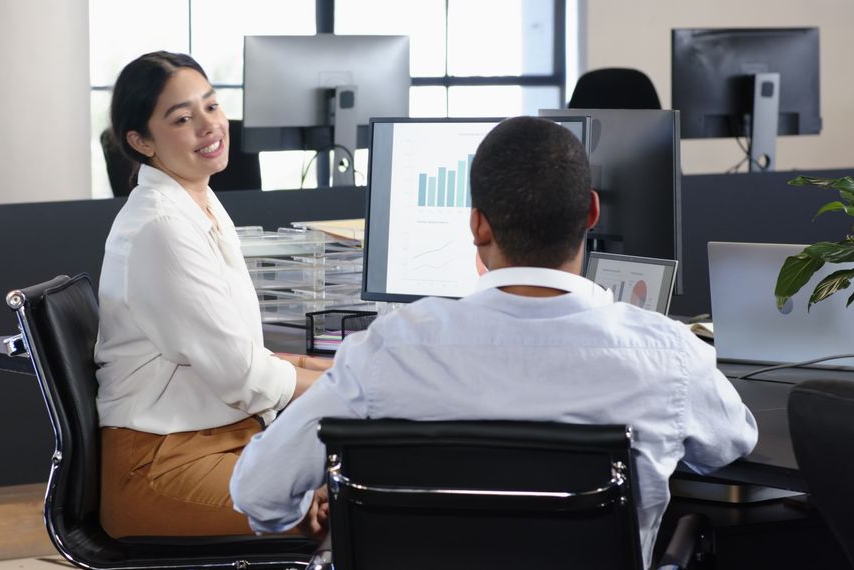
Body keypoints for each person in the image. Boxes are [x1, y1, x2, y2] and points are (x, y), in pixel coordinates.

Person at [229, 116, 758, 562]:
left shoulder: (387, 353)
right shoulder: (666, 355)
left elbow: (258, 492)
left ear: (477, 226)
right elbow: (730, 444)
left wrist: (314, 511)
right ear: (592, 214)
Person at [94, 51, 328, 537]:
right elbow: (245, 376)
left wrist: (356, 370)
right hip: (163, 465)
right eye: (182, 118)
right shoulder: (161, 226)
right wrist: (356, 388)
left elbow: (247, 354)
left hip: (227, 443)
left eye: (212, 106)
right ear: (141, 142)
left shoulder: (198, 203)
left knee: (377, 485)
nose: (209, 125)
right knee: (355, 511)